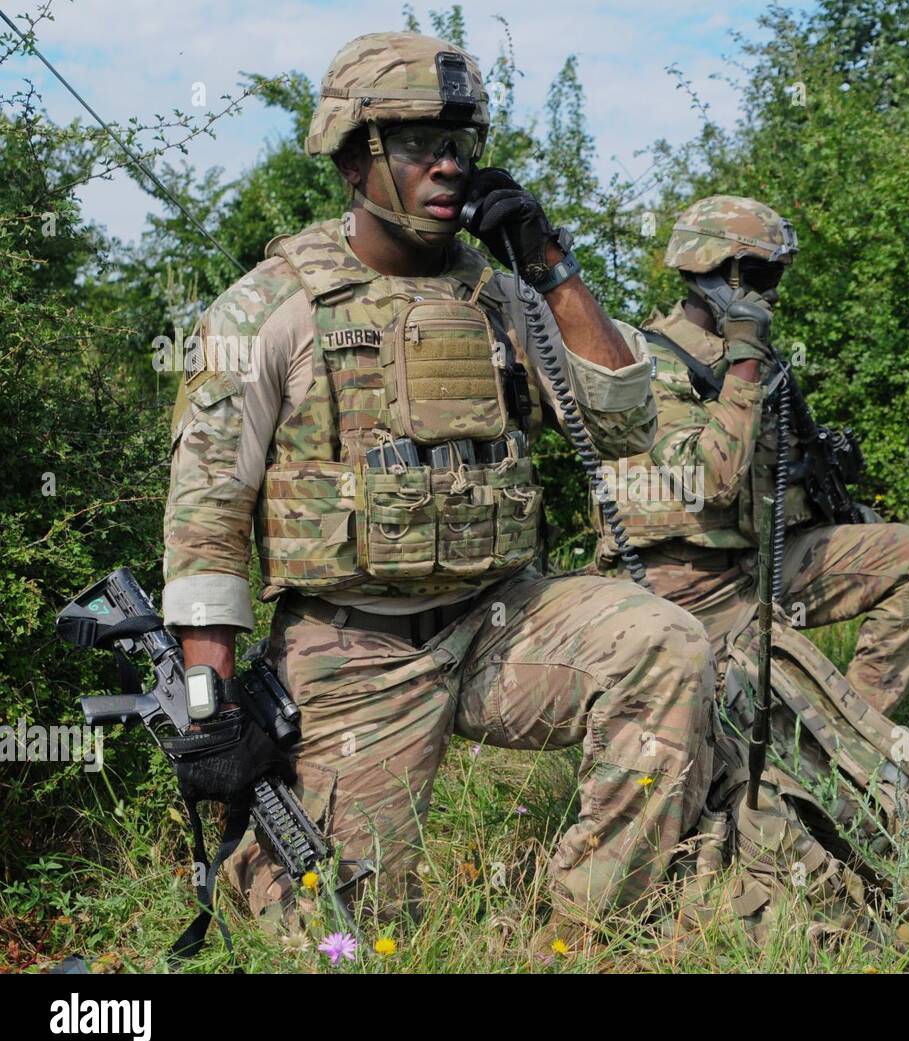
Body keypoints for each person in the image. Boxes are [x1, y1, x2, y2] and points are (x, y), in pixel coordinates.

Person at [162, 31, 716, 960]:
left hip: (500, 618)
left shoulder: (505, 295)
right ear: (353, 157)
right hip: (355, 645)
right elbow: (207, 516)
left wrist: (551, 265)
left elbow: (626, 424)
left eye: (461, 140)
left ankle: (579, 935)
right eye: (419, 142)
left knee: (669, 644)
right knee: (348, 931)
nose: (450, 164)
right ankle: (257, 879)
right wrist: (209, 699)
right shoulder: (270, 307)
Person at [594, 195, 909, 721]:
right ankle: (824, 734)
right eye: (763, 277)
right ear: (715, 273)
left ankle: (860, 723)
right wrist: (745, 362)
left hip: (760, 564)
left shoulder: (755, 358)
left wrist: (834, 513)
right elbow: (709, 479)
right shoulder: (645, 361)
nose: (774, 296)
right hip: (681, 583)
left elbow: (771, 476)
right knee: (743, 728)